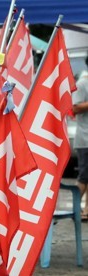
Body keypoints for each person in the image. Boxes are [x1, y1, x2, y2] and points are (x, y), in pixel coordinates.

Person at [72, 59, 88, 221]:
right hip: (85, 138)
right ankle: (74, 208)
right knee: (84, 176)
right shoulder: (83, 84)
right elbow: (74, 107)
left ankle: (85, 210)